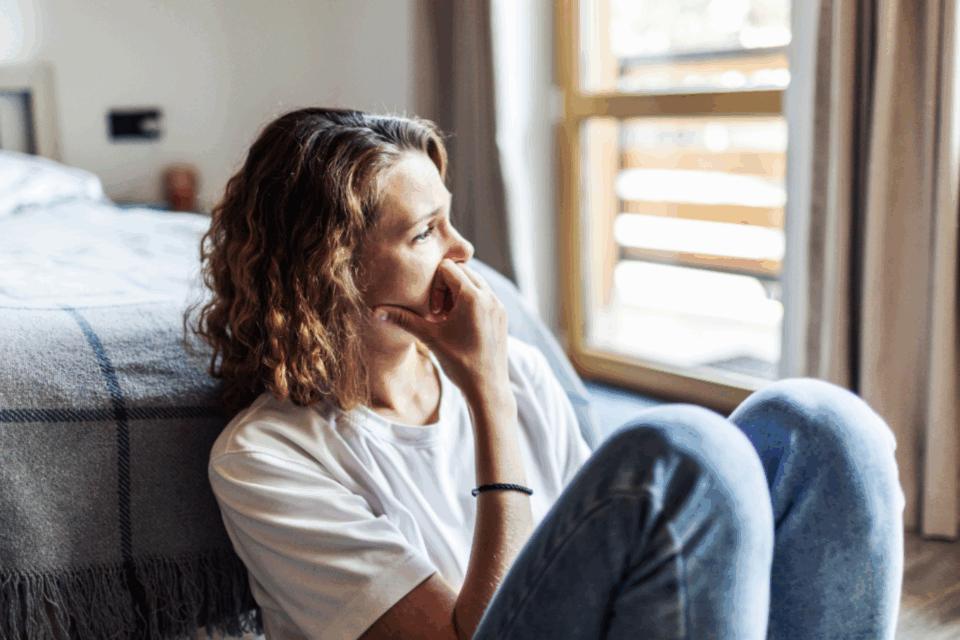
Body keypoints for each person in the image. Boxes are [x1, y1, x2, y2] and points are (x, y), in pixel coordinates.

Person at [188, 107, 906, 640]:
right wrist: (489, 398)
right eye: (423, 233)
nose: (463, 249)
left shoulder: (520, 366)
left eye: (451, 219)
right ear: (331, 276)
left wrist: (497, 381)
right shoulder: (267, 457)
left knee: (820, 425)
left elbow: (611, 557)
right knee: (687, 451)